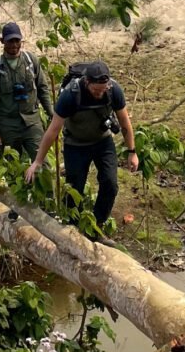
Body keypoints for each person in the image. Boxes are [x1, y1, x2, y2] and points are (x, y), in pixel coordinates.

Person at [24, 61, 138, 231]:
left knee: (110, 183)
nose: (99, 94)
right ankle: (71, 226)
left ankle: (96, 225)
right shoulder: (71, 95)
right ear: (87, 82)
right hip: (75, 145)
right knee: (74, 188)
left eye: (103, 90)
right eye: (95, 90)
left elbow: (124, 121)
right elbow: (53, 130)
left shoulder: (114, 90)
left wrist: (132, 152)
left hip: (102, 141)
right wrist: (38, 161)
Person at [0, 22, 53, 162]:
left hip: (32, 122)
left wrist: (52, 115)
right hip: (8, 125)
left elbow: (43, 89)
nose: (14, 45)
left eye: (17, 40)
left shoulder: (31, 60)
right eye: (10, 41)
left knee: (42, 164)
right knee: (10, 167)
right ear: (2, 41)